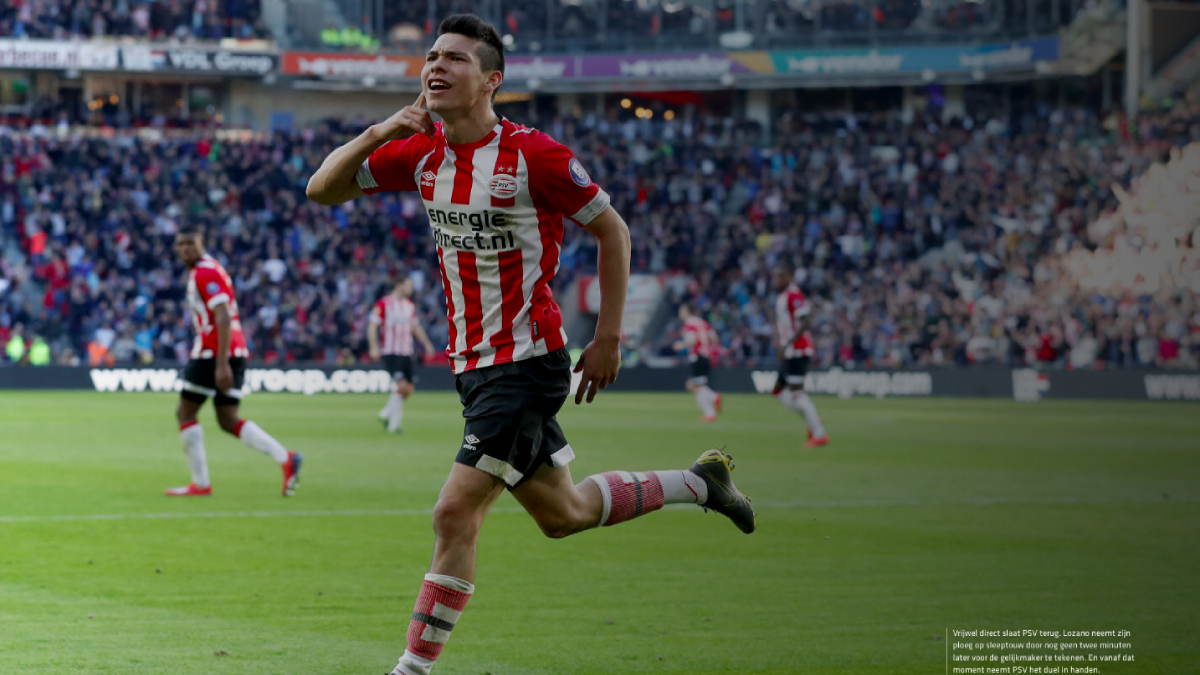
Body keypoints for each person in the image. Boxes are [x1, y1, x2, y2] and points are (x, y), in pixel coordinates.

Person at [306, 15, 755, 675]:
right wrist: (379, 131)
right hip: (474, 367)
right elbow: (322, 189)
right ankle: (698, 482)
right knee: (562, 513)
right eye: (431, 56)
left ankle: (411, 668)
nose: (436, 66)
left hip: (525, 360)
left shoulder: (533, 155)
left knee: (454, 510)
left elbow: (614, 232)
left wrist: (607, 337)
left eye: (454, 58)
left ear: (491, 80)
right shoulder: (421, 150)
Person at [165, 227, 304, 497]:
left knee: (185, 413)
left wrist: (221, 364)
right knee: (228, 419)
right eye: (180, 244)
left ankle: (201, 484)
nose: (185, 249)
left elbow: (223, 316)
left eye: (189, 243)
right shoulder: (210, 268)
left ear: (201, 242)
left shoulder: (205, 273)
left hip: (213, 352)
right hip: (231, 351)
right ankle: (286, 458)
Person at [370, 275, 437, 434]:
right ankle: (393, 425)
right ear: (399, 285)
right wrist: (374, 346)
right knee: (402, 386)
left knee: (409, 389)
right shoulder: (384, 303)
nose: (411, 289)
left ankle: (386, 414)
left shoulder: (409, 305)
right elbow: (372, 326)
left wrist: (427, 344)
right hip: (391, 351)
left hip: (407, 351)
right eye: (408, 285)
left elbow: (416, 327)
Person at [773, 268, 828, 447]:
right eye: (776, 276)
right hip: (790, 351)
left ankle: (819, 433)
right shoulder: (783, 296)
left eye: (781, 275)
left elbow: (805, 322)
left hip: (798, 350)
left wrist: (787, 343)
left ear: (789, 276)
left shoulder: (794, 294)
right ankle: (812, 420)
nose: (777, 279)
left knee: (797, 392)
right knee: (778, 390)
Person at [673, 303, 722, 421]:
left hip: (698, 357)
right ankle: (714, 397)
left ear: (687, 311)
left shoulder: (689, 324)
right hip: (707, 356)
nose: (680, 312)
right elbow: (715, 338)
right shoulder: (702, 322)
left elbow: (692, 340)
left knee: (694, 386)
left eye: (682, 309)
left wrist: (681, 345)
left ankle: (710, 412)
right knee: (694, 385)